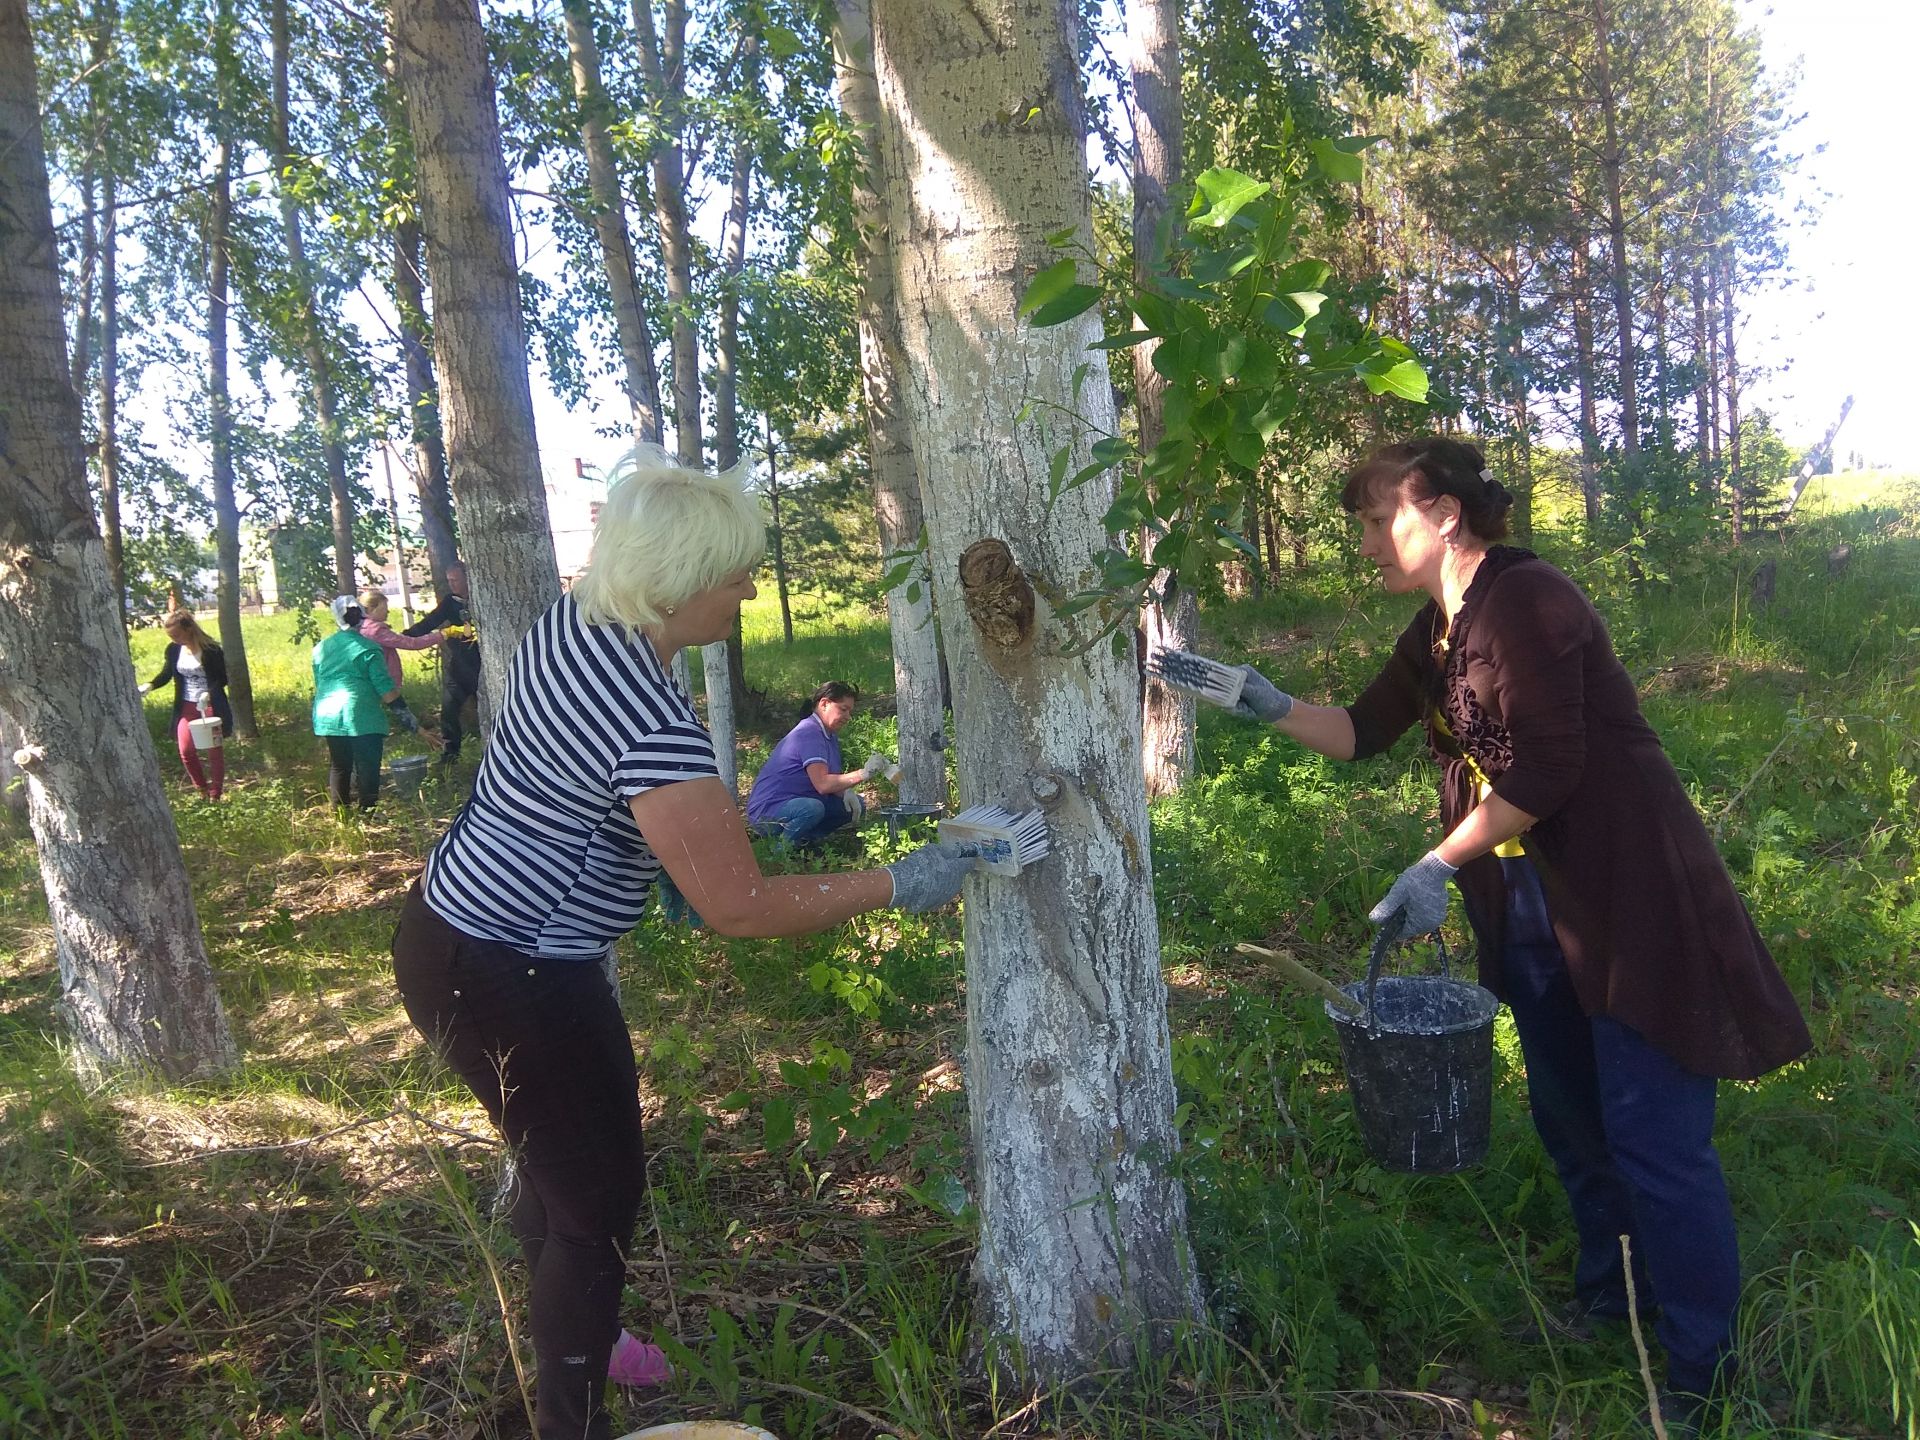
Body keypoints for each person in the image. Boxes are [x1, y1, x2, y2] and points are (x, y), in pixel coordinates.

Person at [1155, 436, 1811, 1426]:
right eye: (1363, 524)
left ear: (1444, 512)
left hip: (1627, 896)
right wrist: (1256, 695)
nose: (1367, 541)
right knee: (1573, 1121)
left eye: (1381, 519)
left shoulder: (1528, 602)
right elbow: (1360, 730)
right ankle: (1611, 1306)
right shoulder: (1439, 627)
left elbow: (1546, 773)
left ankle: (1699, 1372)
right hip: (1532, 906)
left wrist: (1436, 861)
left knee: (1654, 1136)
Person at [388, 446, 975, 1440]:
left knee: (561, 1168)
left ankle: (577, 1327)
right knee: (594, 1202)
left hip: (461, 932)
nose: (749, 589)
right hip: (506, 968)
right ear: (677, 582)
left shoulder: (578, 625)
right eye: (737, 572)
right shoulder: (647, 719)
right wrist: (898, 881)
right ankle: (564, 1413)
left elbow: (648, 821)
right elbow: (734, 906)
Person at [744, 681, 892, 847]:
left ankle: (805, 841)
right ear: (824, 704)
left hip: (796, 802)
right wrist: (863, 773)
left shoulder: (828, 734)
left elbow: (833, 780)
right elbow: (822, 784)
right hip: (769, 810)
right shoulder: (809, 733)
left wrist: (846, 792)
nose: (848, 717)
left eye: (850, 711)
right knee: (812, 809)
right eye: (843, 709)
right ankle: (780, 852)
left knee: (852, 805)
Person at [313, 597, 415, 811]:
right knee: (367, 765)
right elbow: (387, 690)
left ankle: (342, 815)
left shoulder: (321, 648)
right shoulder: (369, 648)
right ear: (362, 615)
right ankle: (368, 813)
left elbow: (319, 682)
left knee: (340, 765)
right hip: (360, 715)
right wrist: (413, 724)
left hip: (328, 714)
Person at [139, 609, 234, 801]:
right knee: (186, 750)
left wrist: (209, 693)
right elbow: (167, 674)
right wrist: (150, 685)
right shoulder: (174, 650)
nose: (174, 639)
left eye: (176, 635)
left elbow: (222, 677)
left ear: (189, 629)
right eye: (170, 636)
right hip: (187, 706)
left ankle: (216, 794)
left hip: (209, 706)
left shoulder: (211, 650)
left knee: (213, 750)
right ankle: (201, 789)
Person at [404, 561, 479, 769]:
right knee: (448, 710)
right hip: (460, 666)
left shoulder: (481, 597)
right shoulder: (450, 602)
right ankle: (450, 755)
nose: (452, 584)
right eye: (449, 581)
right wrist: (405, 636)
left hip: (483, 666)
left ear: (467, 578)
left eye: (455, 580)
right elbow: (431, 621)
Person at [357, 587, 447, 690]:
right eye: (384, 608)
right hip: (384, 684)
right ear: (371, 609)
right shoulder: (376, 630)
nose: (388, 611)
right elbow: (412, 643)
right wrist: (443, 634)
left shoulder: (362, 627)